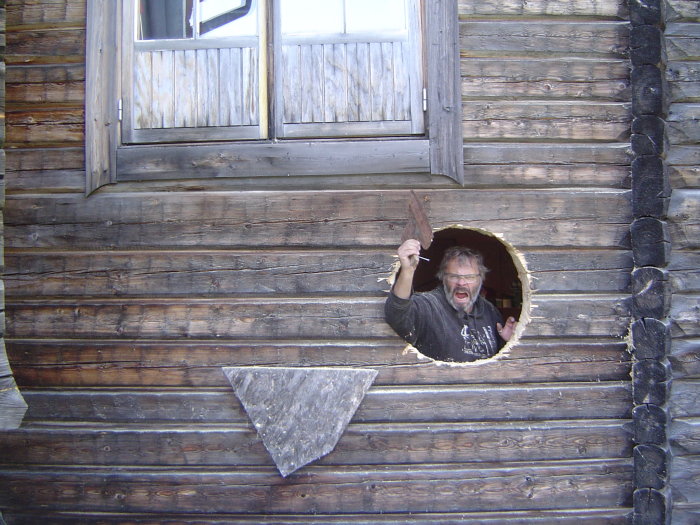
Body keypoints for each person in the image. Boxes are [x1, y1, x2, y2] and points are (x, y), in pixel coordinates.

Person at [384, 239, 518, 362]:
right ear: (443, 278)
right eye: (454, 276)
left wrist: (508, 342)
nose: (461, 283)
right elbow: (399, 313)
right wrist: (408, 270)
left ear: (480, 279)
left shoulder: (490, 312)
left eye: (470, 277)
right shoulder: (429, 306)